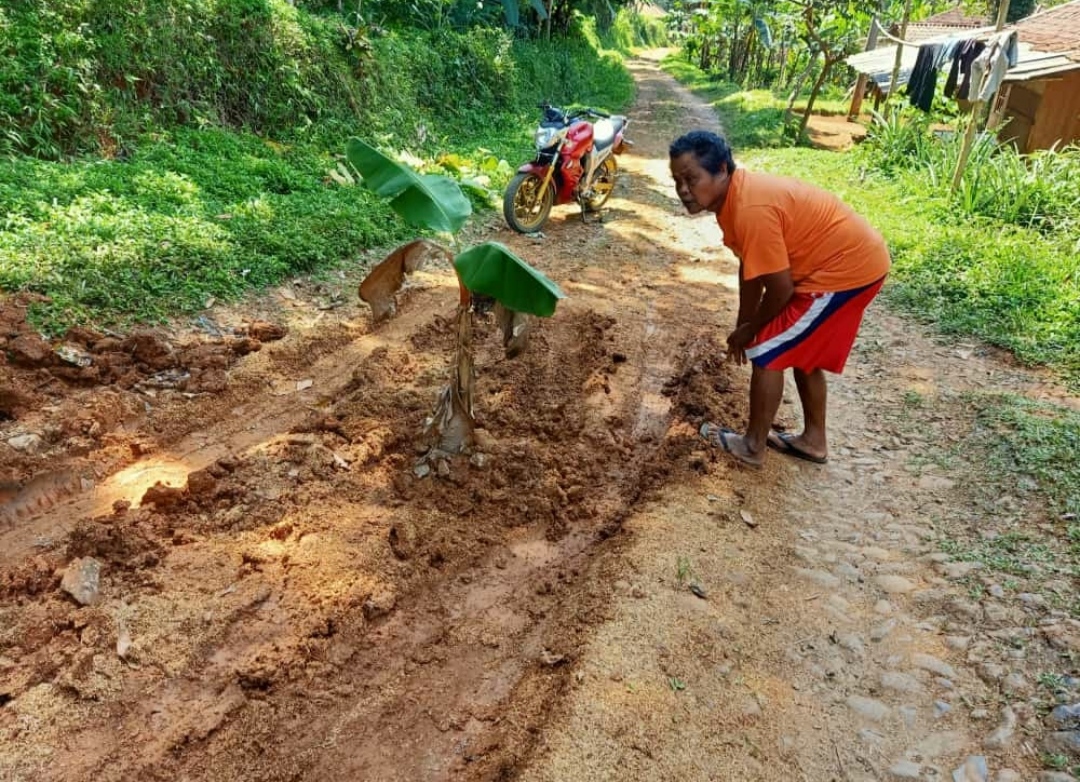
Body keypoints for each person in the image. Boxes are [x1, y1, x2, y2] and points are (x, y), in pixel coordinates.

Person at [669, 130, 890, 467]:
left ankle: (753, 446)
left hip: (846, 270)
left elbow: (780, 290)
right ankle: (813, 441)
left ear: (723, 170)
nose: (683, 189)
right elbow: (751, 266)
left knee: (768, 349)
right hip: (844, 263)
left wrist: (752, 332)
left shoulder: (750, 208)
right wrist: (744, 322)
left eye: (691, 178)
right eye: (677, 180)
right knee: (801, 348)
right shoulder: (736, 199)